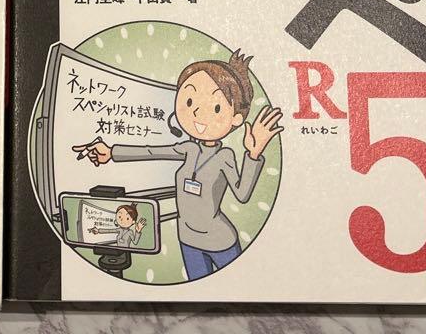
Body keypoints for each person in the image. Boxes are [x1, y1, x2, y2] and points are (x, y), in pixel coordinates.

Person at [73, 50, 283, 281]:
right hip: (188, 241)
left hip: (220, 240)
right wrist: (111, 152)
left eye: (215, 108)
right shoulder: (189, 149)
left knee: (236, 288)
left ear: (236, 119)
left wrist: (253, 154)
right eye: (189, 101)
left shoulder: (225, 156)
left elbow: (242, 194)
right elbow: (150, 152)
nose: (197, 112)